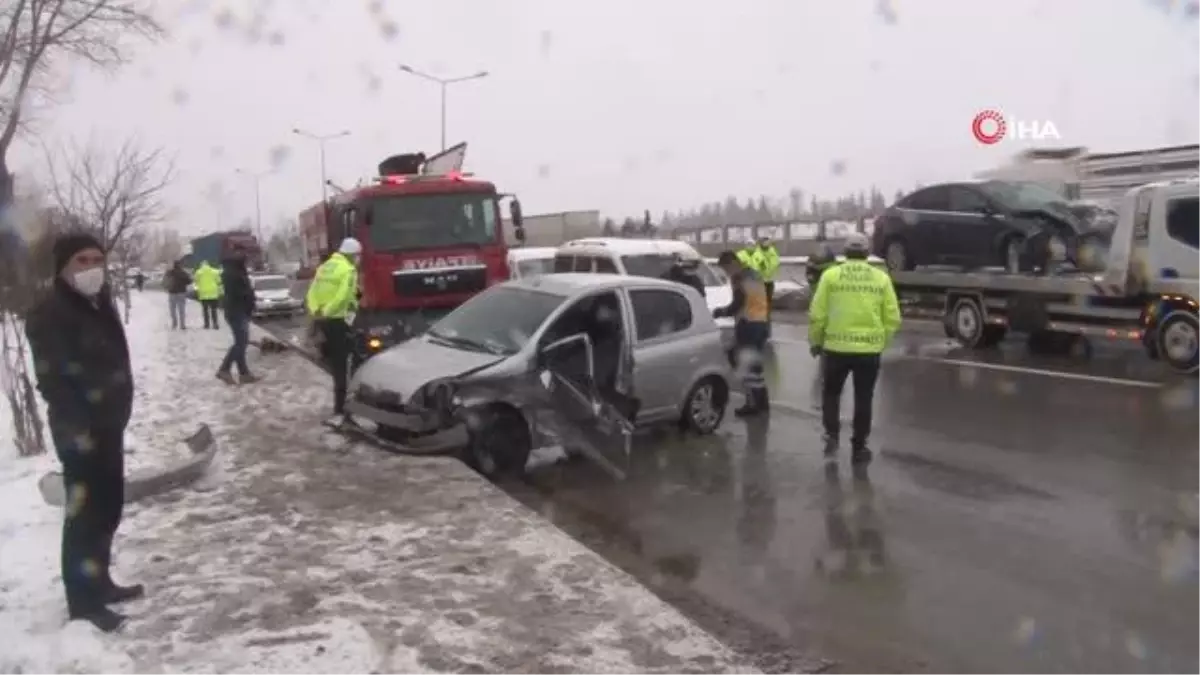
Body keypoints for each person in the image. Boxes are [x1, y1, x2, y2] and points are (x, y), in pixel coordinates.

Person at [25, 232, 144, 633]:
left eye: (98, 260)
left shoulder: (98, 302)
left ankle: (101, 582)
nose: (93, 269)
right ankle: (83, 602)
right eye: (83, 261)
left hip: (109, 425)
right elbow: (53, 380)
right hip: (82, 433)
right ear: (63, 267)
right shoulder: (50, 313)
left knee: (108, 507)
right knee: (85, 516)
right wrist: (82, 429)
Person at [807, 233, 901, 464]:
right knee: (863, 398)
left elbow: (817, 315)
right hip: (868, 351)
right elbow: (893, 317)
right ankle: (859, 447)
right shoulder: (881, 279)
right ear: (867, 253)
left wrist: (816, 342)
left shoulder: (830, 276)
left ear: (845, 252)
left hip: (835, 348)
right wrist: (881, 342)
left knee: (831, 394)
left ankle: (831, 434)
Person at [305, 237, 361, 425]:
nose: (358, 259)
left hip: (322, 321)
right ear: (352, 255)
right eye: (358, 256)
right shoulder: (349, 270)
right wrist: (330, 311)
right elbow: (343, 296)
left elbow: (311, 292)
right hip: (338, 321)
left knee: (335, 363)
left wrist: (317, 311)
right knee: (343, 366)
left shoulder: (324, 267)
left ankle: (344, 404)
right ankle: (342, 409)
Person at [713, 249, 771, 417]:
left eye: (726, 269)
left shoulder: (739, 277)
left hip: (748, 324)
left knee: (744, 364)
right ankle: (762, 403)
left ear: (732, 264)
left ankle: (753, 404)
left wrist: (720, 312)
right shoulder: (754, 274)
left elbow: (738, 303)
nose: (726, 272)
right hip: (761, 323)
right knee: (755, 367)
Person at [216, 253, 260, 385]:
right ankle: (224, 369)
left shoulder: (233, 272)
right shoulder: (233, 275)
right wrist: (249, 296)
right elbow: (240, 293)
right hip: (237, 312)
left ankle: (244, 373)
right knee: (241, 343)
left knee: (241, 342)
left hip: (237, 311)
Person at [753, 236, 781, 316]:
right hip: (760, 280)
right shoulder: (757, 253)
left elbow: (776, 262)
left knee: (769, 298)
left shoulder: (772, 252)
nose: (767, 243)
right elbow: (755, 265)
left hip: (770, 280)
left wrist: (767, 266)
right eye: (765, 242)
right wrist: (761, 265)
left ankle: (767, 313)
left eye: (768, 242)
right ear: (761, 243)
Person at [193, 260, 223, 329]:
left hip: (203, 293)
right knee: (214, 310)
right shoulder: (215, 271)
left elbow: (195, 281)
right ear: (208, 265)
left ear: (201, 265)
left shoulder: (198, 272)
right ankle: (215, 324)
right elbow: (219, 281)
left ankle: (207, 324)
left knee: (205, 310)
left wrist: (197, 289)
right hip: (213, 293)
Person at [162, 260, 191, 330]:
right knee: (182, 309)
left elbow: (164, 282)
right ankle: (182, 325)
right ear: (180, 265)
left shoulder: (170, 273)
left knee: (172, 309)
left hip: (172, 293)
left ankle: (174, 323)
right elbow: (189, 281)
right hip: (181, 293)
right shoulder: (183, 273)